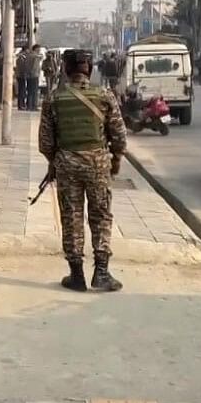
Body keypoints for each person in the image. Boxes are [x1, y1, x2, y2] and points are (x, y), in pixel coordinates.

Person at [38, 49, 128, 293]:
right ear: (89, 69)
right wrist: (116, 159)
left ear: (65, 69)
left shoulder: (53, 99)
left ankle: (76, 274)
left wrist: (56, 160)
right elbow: (119, 135)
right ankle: (102, 272)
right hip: (98, 163)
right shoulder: (105, 96)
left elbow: (45, 143)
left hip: (67, 164)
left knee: (72, 216)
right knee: (100, 215)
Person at [26, 44, 44, 111]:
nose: (39, 51)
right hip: (34, 75)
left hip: (29, 76)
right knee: (34, 92)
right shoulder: (35, 56)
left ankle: (29, 106)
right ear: (36, 49)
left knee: (29, 91)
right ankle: (33, 106)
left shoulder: (28, 56)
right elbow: (34, 67)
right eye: (39, 49)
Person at [15, 46, 30, 110]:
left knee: (22, 91)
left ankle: (22, 104)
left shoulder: (21, 57)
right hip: (21, 76)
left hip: (21, 75)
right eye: (27, 50)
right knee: (21, 91)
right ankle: (21, 105)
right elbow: (22, 68)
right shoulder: (21, 58)